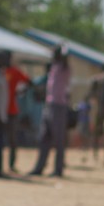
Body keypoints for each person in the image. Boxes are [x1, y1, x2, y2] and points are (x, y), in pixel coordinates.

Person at [29, 46, 71, 178]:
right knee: (43, 138)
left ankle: (58, 169)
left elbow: (65, 59)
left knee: (58, 140)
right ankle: (39, 167)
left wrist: (62, 51)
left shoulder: (64, 67)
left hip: (59, 106)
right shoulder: (53, 67)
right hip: (49, 105)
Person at [2, 53, 29, 173]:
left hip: (12, 110)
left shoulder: (15, 71)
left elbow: (28, 81)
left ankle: (11, 165)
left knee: (12, 140)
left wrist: (21, 91)